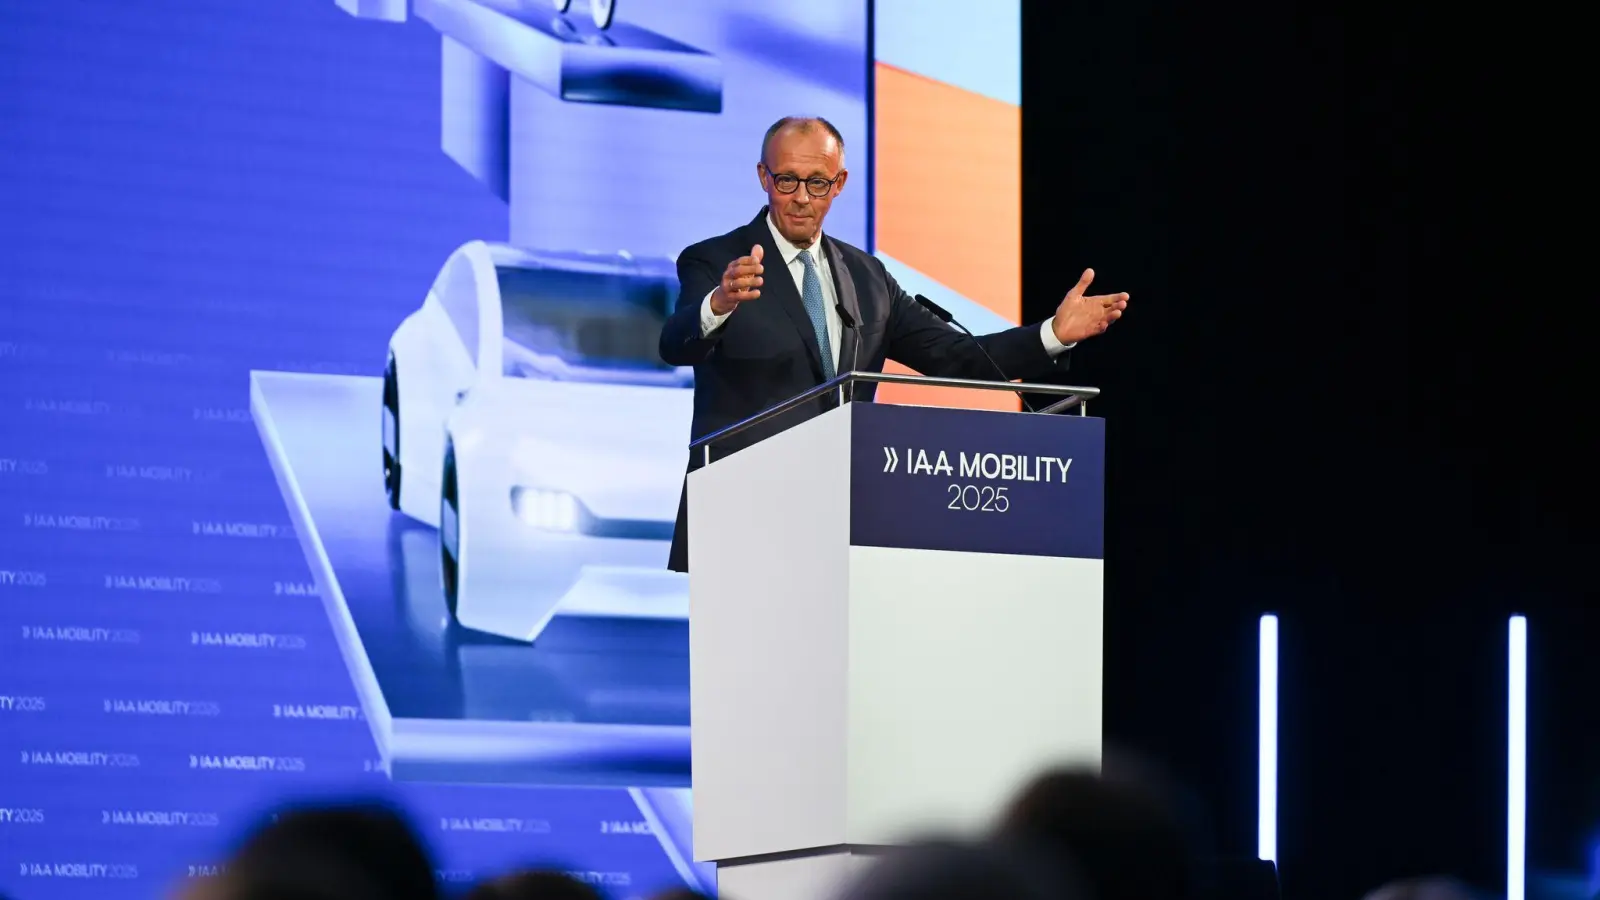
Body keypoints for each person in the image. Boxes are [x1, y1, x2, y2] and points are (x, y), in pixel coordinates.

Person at [658, 116, 1130, 572]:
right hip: (743, 518)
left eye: (817, 183)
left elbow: (958, 357)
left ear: (839, 183)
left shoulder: (868, 277)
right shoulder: (715, 259)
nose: (802, 198)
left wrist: (1052, 334)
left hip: (845, 518)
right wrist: (717, 304)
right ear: (763, 176)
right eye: (787, 181)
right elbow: (676, 344)